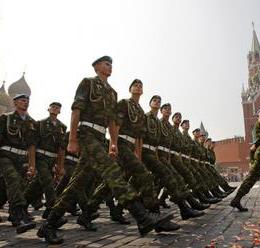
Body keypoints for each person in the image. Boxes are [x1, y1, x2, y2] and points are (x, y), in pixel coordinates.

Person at [37, 56, 172, 244]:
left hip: (101, 139)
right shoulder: (88, 83)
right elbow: (76, 110)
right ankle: (142, 217)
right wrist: (73, 138)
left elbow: (112, 122)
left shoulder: (112, 93)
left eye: (111, 64)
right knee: (113, 172)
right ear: (96, 67)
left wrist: (113, 143)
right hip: (86, 133)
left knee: (77, 183)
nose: (110, 67)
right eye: (106, 64)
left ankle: (48, 225)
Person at [0, 94, 37, 233]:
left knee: (11, 185)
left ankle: (12, 213)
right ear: (15, 103)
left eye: (27, 100)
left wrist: (32, 165)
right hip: (6, 156)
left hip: (22, 159)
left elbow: (32, 146)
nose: (26, 102)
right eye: (22, 100)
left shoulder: (32, 123)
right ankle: (18, 216)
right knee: (14, 180)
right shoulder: (6, 118)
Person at [24, 102, 66, 219]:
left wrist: (60, 166)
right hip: (40, 158)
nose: (55, 109)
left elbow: (61, 149)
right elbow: (32, 144)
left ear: (59, 111)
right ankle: (52, 210)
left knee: (37, 185)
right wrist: (32, 163)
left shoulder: (62, 127)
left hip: (52, 159)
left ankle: (22, 206)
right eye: (53, 107)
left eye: (57, 108)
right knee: (48, 182)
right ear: (48, 109)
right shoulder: (39, 124)